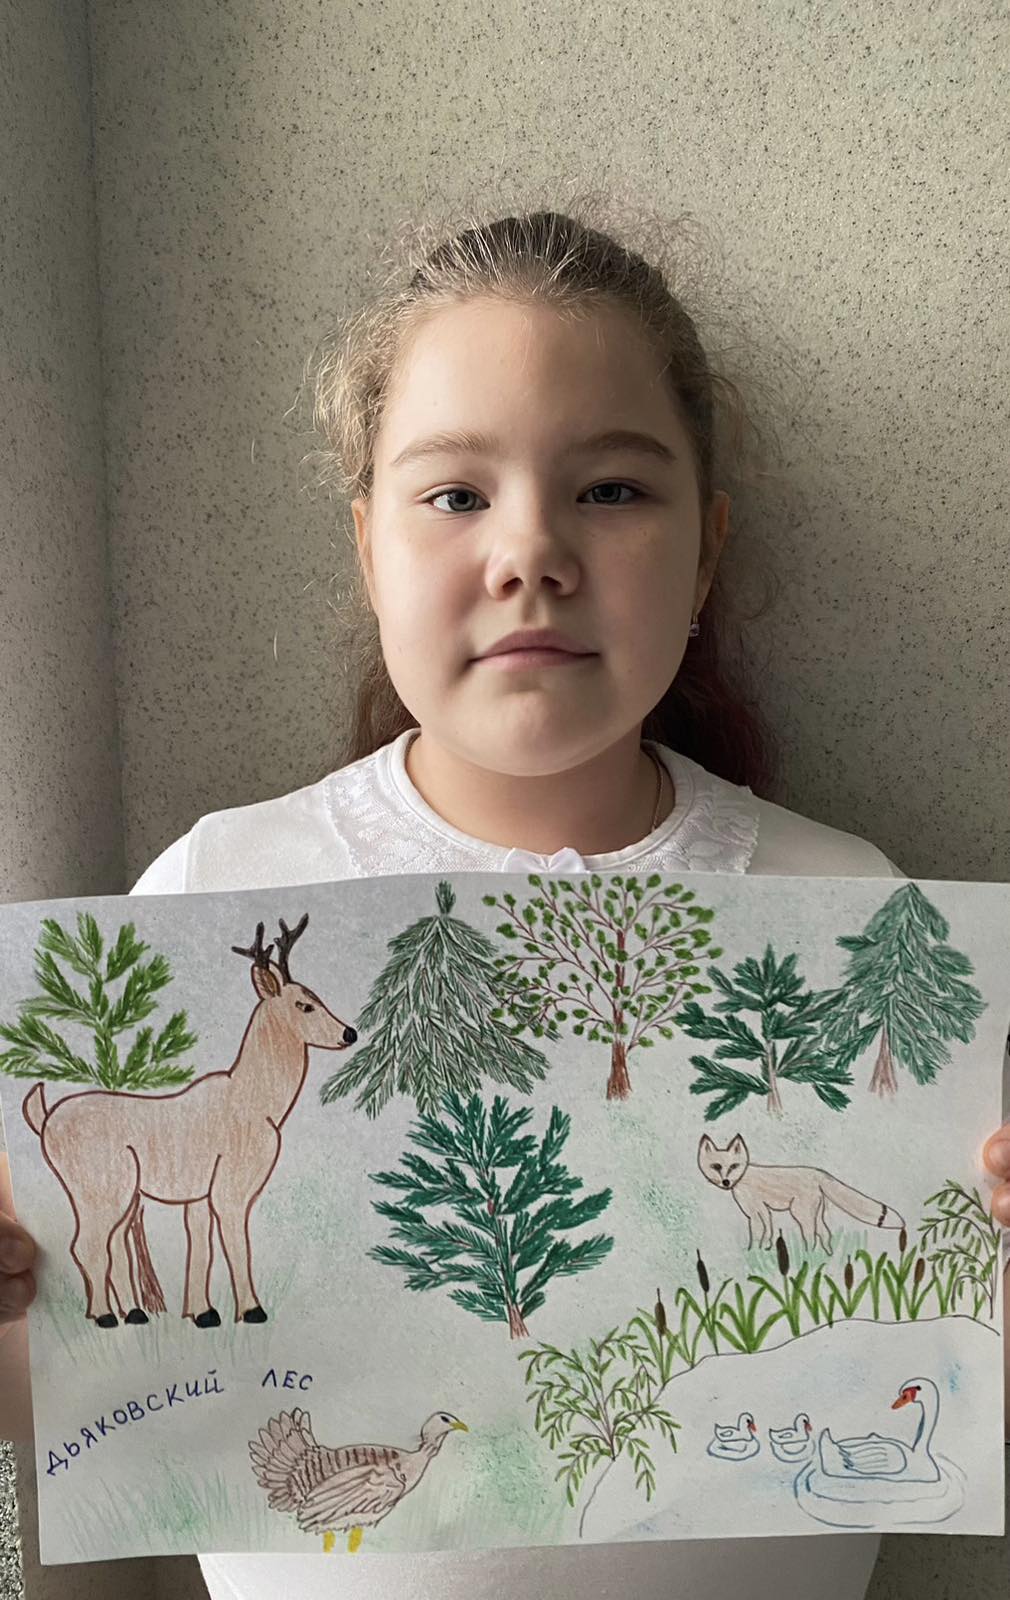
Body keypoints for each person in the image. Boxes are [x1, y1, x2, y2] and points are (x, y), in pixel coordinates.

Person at [1, 198, 1007, 1600]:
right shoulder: (212, 894)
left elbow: (941, 1381)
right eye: (456, 495)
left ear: (707, 551)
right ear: (369, 547)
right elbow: (71, 1438)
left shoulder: (852, 911)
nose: (529, 550)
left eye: (613, 489)